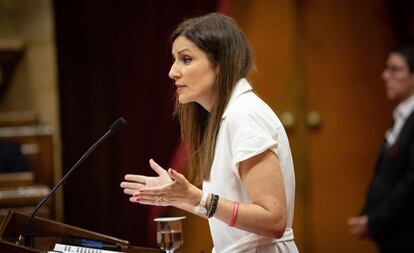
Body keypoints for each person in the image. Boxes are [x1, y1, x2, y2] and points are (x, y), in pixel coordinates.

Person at [120, 13, 298, 253]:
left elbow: (273, 220)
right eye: (174, 60)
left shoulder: (244, 115)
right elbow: (230, 209)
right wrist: (179, 197)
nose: (173, 72)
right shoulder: (228, 115)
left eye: (185, 59)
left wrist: (198, 198)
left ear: (220, 62)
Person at [347, 42, 414, 253]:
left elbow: (412, 184)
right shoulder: (402, 115)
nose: (386, 76)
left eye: (395, 69)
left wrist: (375, 221)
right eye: (386, 69)